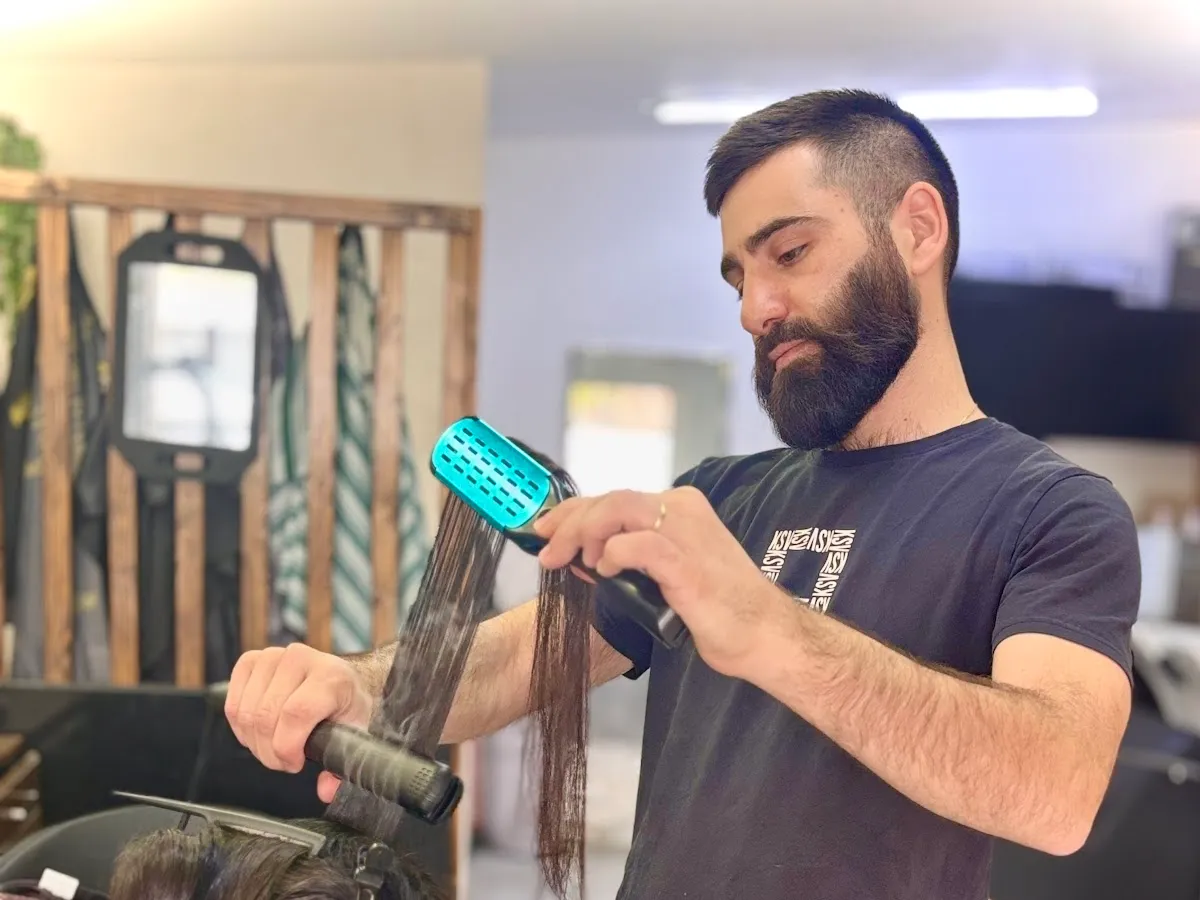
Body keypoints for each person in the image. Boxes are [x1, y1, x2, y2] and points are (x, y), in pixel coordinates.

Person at [225, 88, 1140, 900]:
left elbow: (1056, 791)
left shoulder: (1052, 511)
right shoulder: (718, 499)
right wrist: (363, 686)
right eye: (740, 276)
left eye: (791, 252)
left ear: (918, 228)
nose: (754, 309)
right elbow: (515, 661)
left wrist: (772, 629)